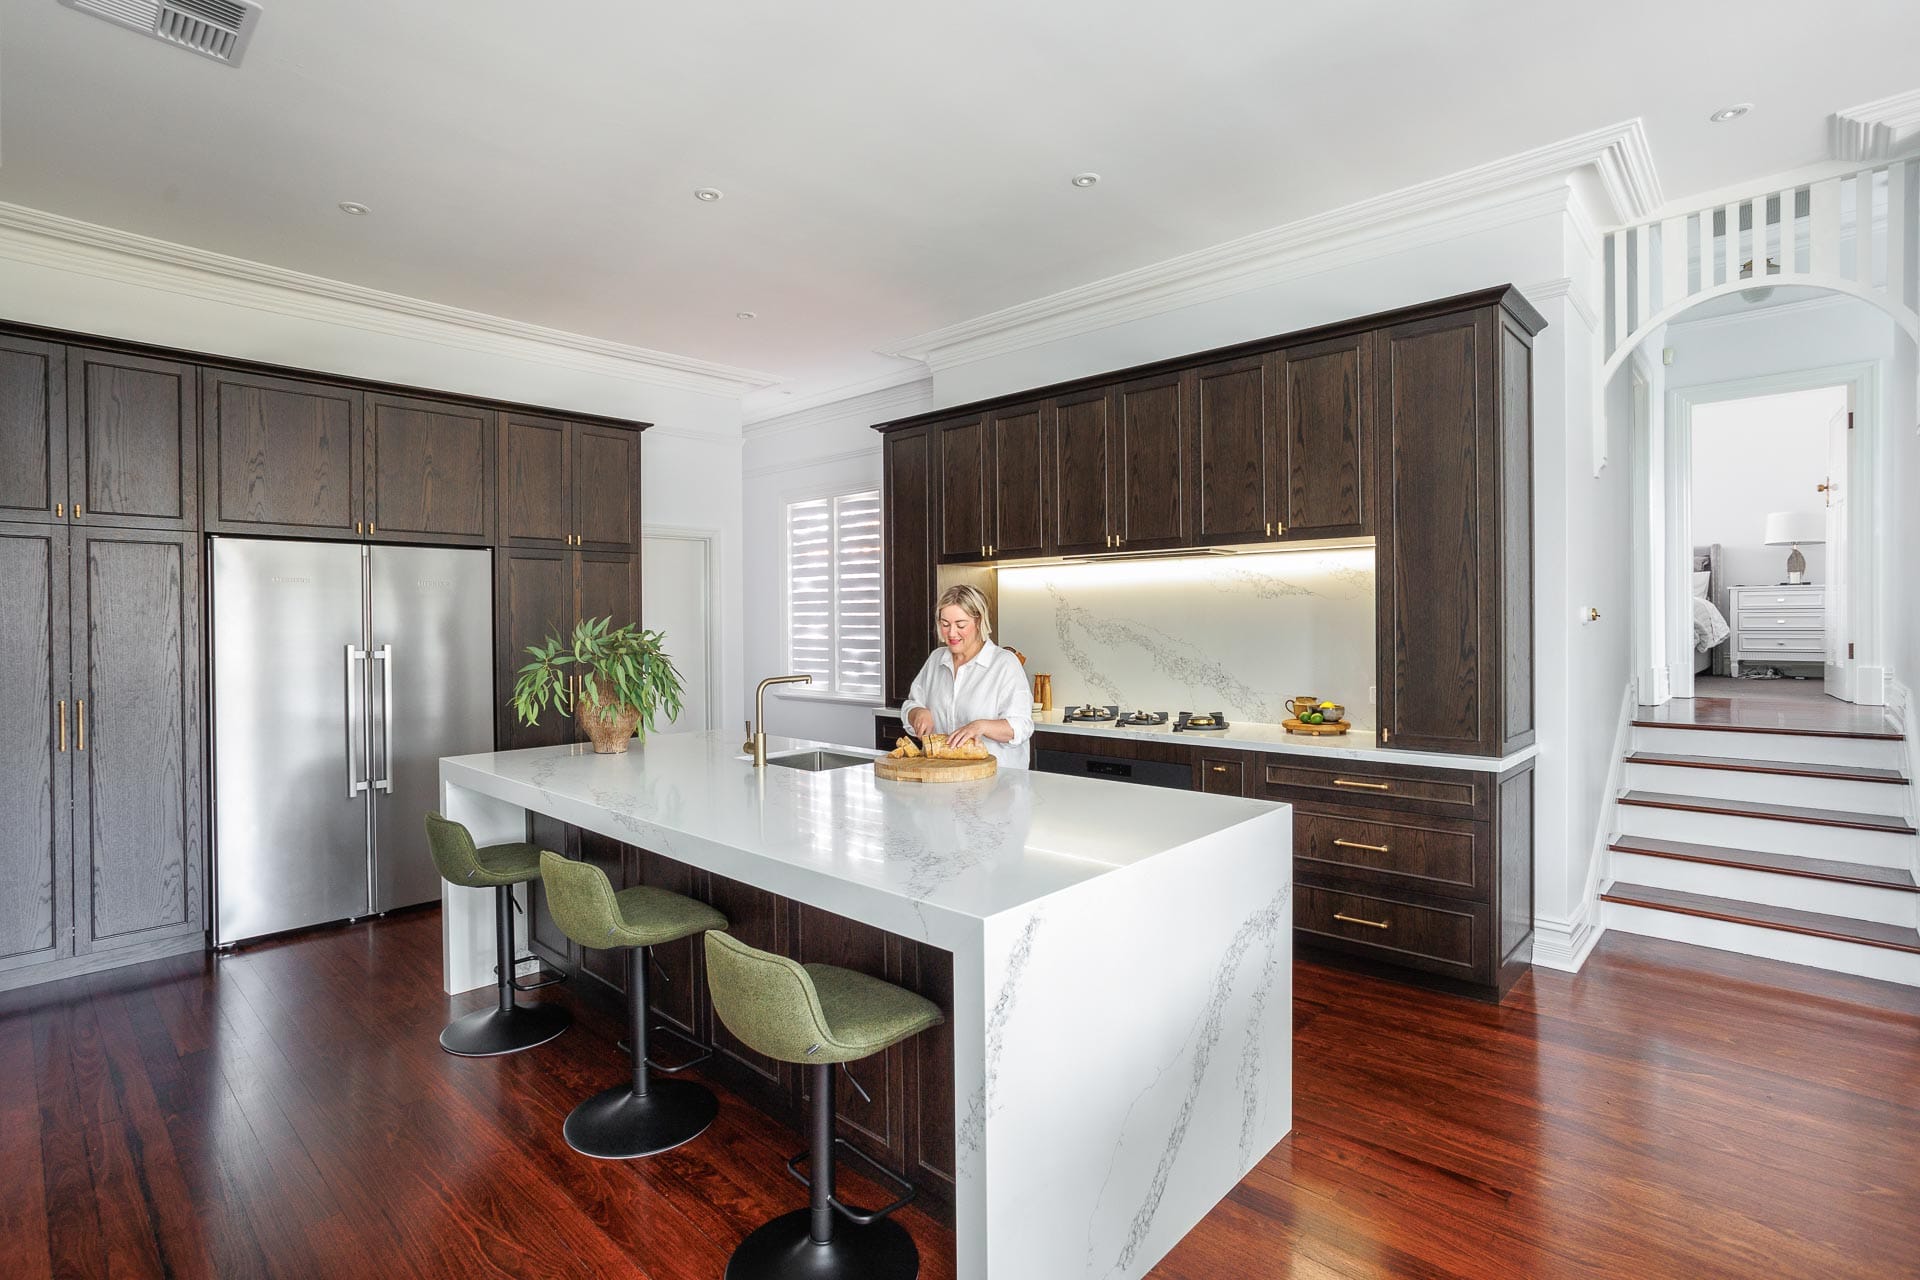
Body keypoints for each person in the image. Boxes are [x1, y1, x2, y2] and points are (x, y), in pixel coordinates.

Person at [899, 584, 1033, 770]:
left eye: (960, 625)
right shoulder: (936, 659)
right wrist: (917, 714)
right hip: (944, 779)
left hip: (998, 784)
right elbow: (911, 705)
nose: (951, 633)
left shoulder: (1004, 664)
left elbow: (1021, 726)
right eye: (945, 624)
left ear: (978, 622)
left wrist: (980, 726)